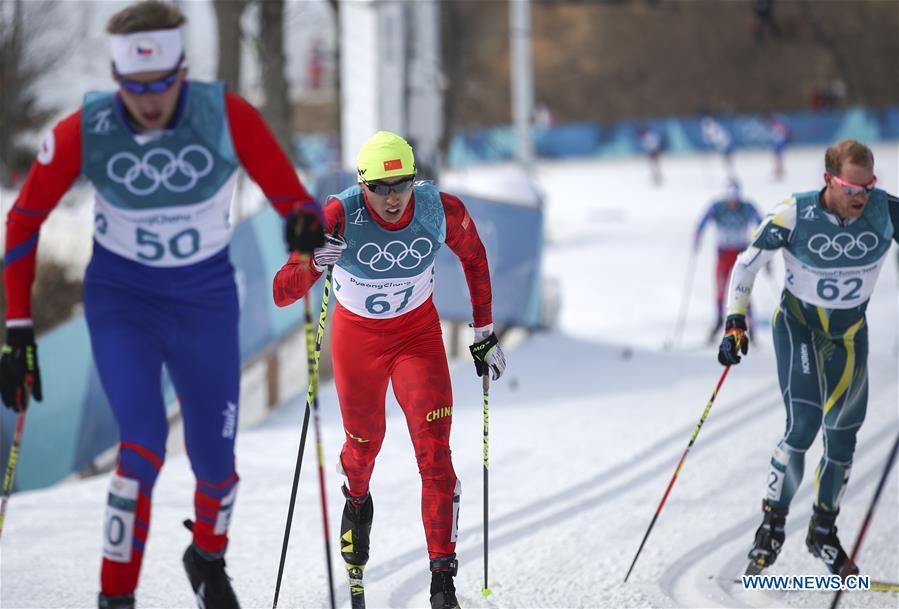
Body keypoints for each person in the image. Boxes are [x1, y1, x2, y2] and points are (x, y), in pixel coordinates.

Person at [0, 2, 324, 608]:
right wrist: (17, 329)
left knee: (216, 465)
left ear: (182, 70)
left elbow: (291, 195)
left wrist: (303, 224)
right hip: (125, 302)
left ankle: (206, 558)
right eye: (134, 86)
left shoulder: (224, 115)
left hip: (205, 303)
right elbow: (22, 220)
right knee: (142, 445)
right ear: (118, 79)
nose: (148, 101)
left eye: (161, 84)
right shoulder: (89, 127)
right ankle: (115, 598)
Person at [273, 131, 506, 609]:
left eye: (401, 183)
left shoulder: (440, 209)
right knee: (364, 446)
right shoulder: (337, 216)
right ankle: (356, 498)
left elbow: (475, 259)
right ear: (363, 188)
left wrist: (483, 331)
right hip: (359, 341)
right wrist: (314, 261)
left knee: (435, 456)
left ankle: (443, 582)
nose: (392, 197)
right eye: (379, 187)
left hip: (417, 338)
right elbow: (282, 290)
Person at [717, 139, 899, 576]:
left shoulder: (887, 212)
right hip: (798, 327)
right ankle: (772, 526)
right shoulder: (793, 213)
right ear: (828, 181)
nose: (860, 196)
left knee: (842, 440)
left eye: (867, 187)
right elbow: (746, 266)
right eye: (850, 187)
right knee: (803, 426)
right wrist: (736, 322)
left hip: (849, 335)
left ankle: (822, 531)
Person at [694, 180, 762, 341]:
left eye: (735, 198)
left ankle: (751, 326)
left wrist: (766, 246)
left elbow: (762, 223)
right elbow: (703, 220)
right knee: (721, 290)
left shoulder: (747, 207)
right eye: (730, 198)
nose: (732, 203)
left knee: (743, 291)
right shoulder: (717, 207)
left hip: (741, 256)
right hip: (723, 255)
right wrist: (697, 236)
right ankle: (718, 320)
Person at [769, 114, 791, 180]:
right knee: (778, 157)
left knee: (778, 157)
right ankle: (779, 170)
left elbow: (783, 134)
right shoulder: (780, 125)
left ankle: (779, 170)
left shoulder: (776, 126)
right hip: (780, 143)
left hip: (780, 143)